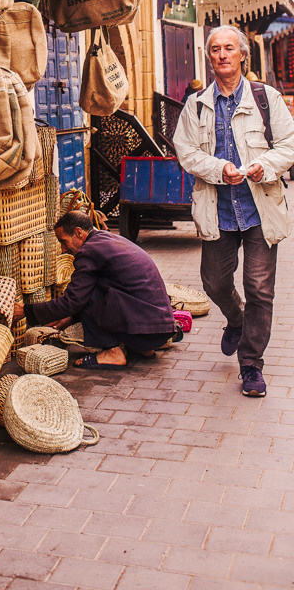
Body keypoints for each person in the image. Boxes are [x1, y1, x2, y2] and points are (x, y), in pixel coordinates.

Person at [174, 25, 294, 397]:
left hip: (259, 210)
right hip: (218, 210)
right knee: (213, 282)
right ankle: (236, 318)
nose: (222, 54)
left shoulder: (266, 97)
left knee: (259, 289)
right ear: (208, 57)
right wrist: (218, 169)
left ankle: (251, 365)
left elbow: (289, 145)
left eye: (229, 48)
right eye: (215, 49)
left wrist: (266, 165)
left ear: (243, 54)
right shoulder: (196, 104)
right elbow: (186, 151)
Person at [21, 211, 176, 369]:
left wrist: (26, 311)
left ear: (78, 232)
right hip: (160, 329)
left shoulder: (89, 251)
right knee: (90, 293)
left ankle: (113, 353)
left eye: (63, 241)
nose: (63, 249)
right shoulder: (106, 239)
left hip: (146, 332)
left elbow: (72, 302)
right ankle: (144, 350)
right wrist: (72, 317)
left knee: (86, 296)